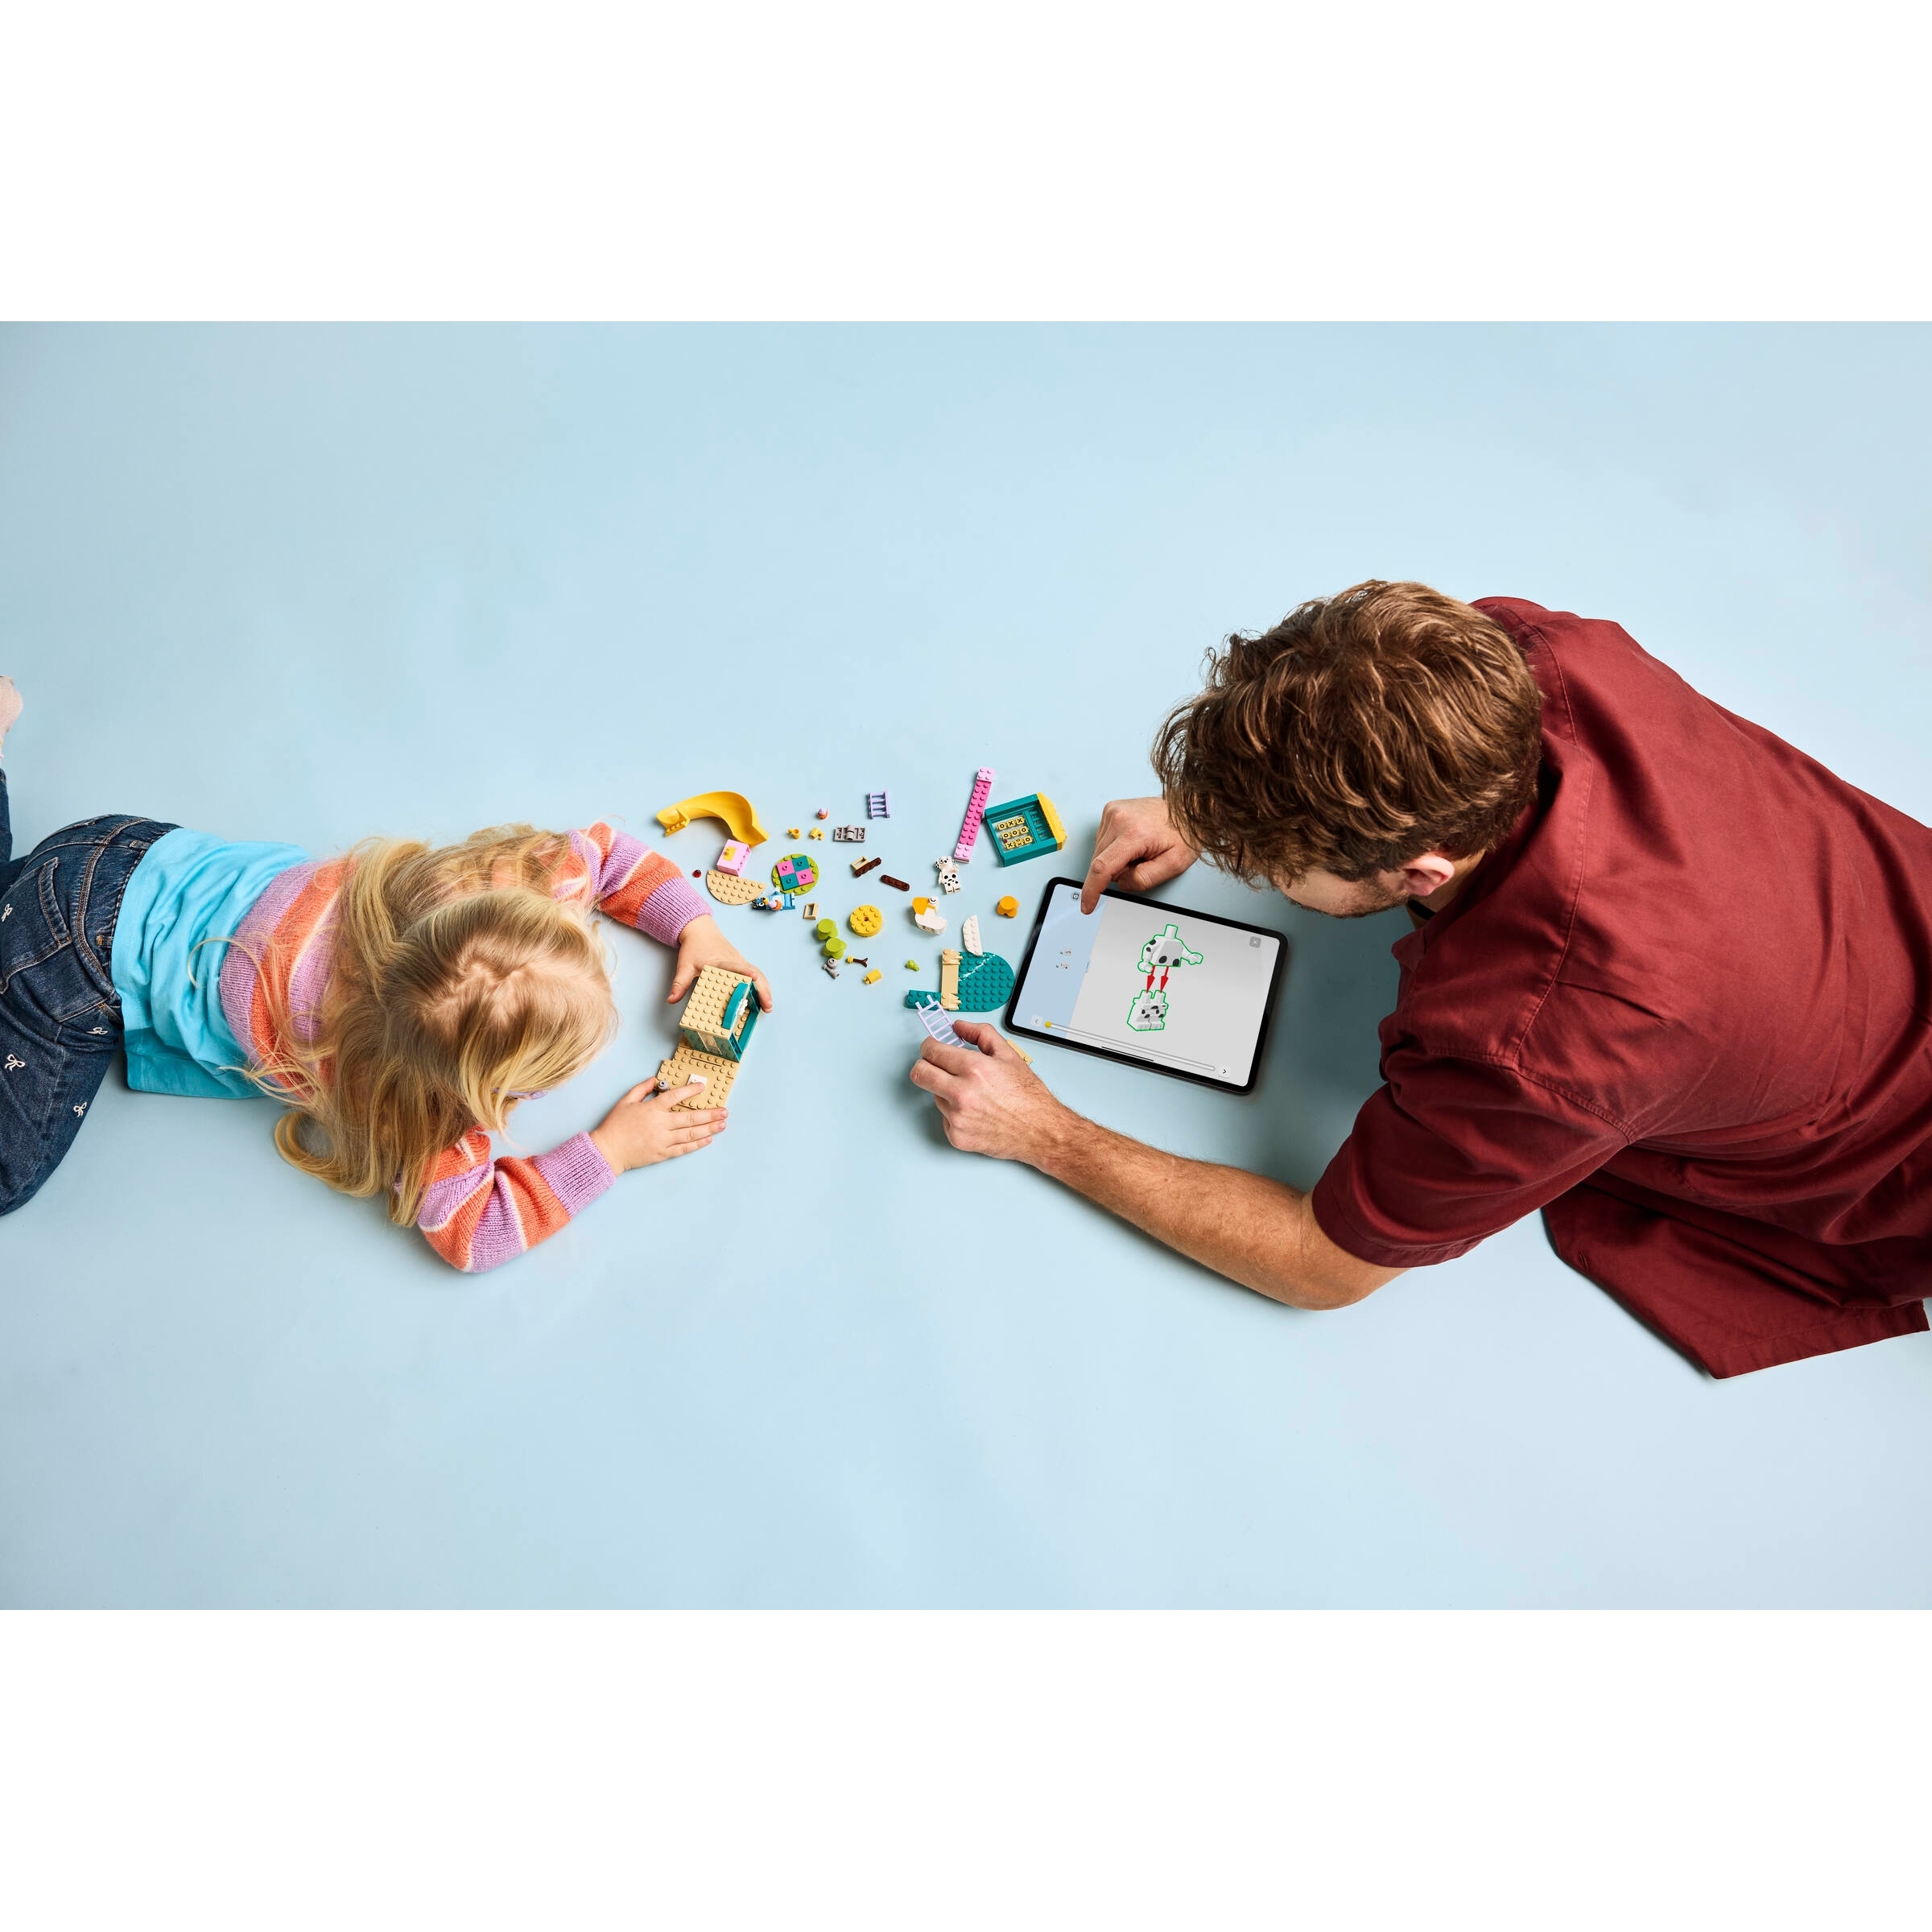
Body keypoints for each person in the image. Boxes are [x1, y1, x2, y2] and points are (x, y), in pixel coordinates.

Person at [908, 584, 1932, 1378]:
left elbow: (1322, 1263)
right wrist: (1218, 802)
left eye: (1270, 864)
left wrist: (1042, 1133)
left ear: (1420, 872)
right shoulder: (1523, 653)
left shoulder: (1536, 1050)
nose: (1250, 870)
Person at [0, 675, 763, 1269]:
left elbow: (609, 855)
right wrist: (612, 1152)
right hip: (69, 959)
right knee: (9, 1179)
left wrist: (694, 923)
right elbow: (475, 1234)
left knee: (16, 889)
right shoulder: (407, 1105)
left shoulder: (476, 889)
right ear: (466, 1085)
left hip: (118, 848)